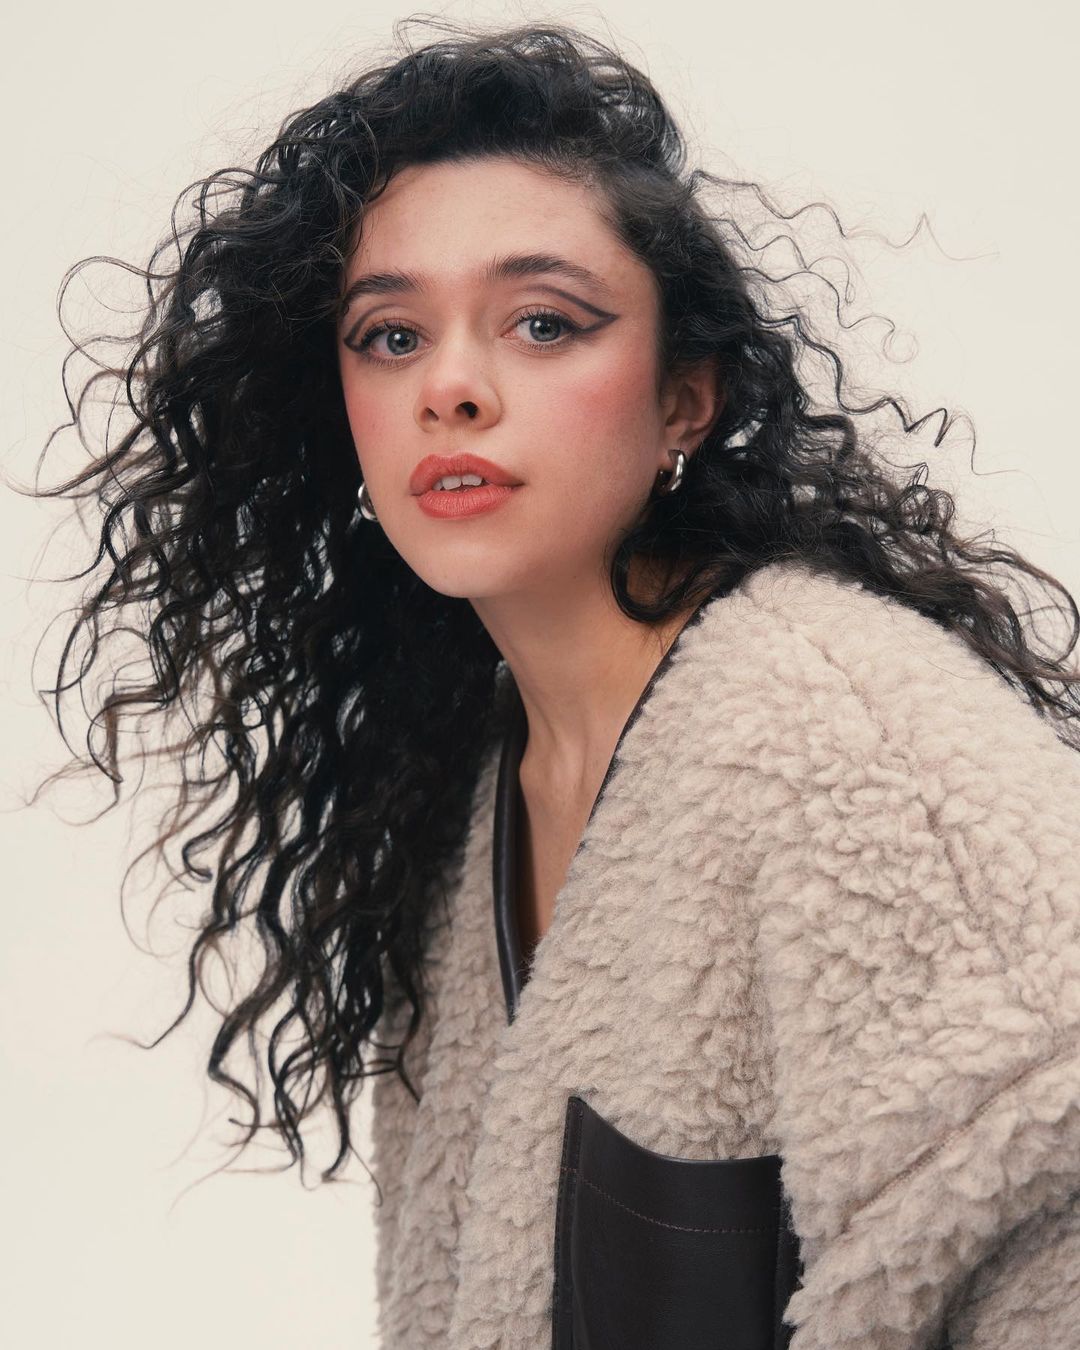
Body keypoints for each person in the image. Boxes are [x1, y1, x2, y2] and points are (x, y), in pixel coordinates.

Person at [24, 17, 1080, 1350]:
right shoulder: (477, 789)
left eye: (542, 323)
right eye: (389, 336)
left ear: (685, 398)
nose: (452, 388)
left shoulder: (846, 745)